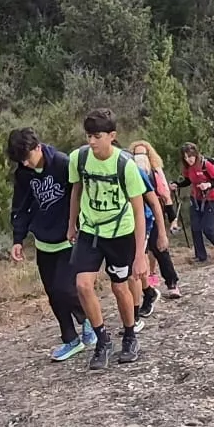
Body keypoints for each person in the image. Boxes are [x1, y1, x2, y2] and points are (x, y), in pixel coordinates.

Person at [69, 109, 164, 369]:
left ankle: (130, 335)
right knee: (83, 285)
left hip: (120, 233)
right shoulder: (78, 159)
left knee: (120, 286)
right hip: (90, 231)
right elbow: (76, 191)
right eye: (88, 135)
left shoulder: (126, 166)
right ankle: (102, 340)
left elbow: (138, 212)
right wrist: (72, 225)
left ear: (112, 136)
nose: (91, 141)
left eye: (97, 136)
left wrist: (139, 257)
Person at [7, 128, 92, 363]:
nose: (25, 163)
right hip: (44, 241)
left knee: (67, 288)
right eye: (20, 160)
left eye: (27, 157)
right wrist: (18, 239)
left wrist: (77, 225)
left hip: (68, 238)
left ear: (38, 147)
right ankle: (70, 339)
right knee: (53, 293)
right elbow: (20, 207)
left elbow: (80, 196)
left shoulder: (63, 164)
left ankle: (89, 321)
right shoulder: (23, 173)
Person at [128, 140, 183, 312]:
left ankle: (171, 282)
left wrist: (171, 219)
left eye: (143, 154)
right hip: (136, 219)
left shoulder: (154, 173)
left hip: (151, 215)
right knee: (141, 256)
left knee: (160, 250)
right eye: (137, 154)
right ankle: (148, 289)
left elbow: (165, 196)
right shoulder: (130, 171)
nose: (140, 158)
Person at [179, 144, 214, 263]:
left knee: (208, 228)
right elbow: (188, 180)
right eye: (185, 157)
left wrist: (208, 185)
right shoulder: (188, 167)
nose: (188, 160)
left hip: (211, 199)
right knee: (195, 227)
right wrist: (177, 184)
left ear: (196, 154)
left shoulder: (205, 164)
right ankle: (201, 256)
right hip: (196, 199)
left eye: (190, 156)